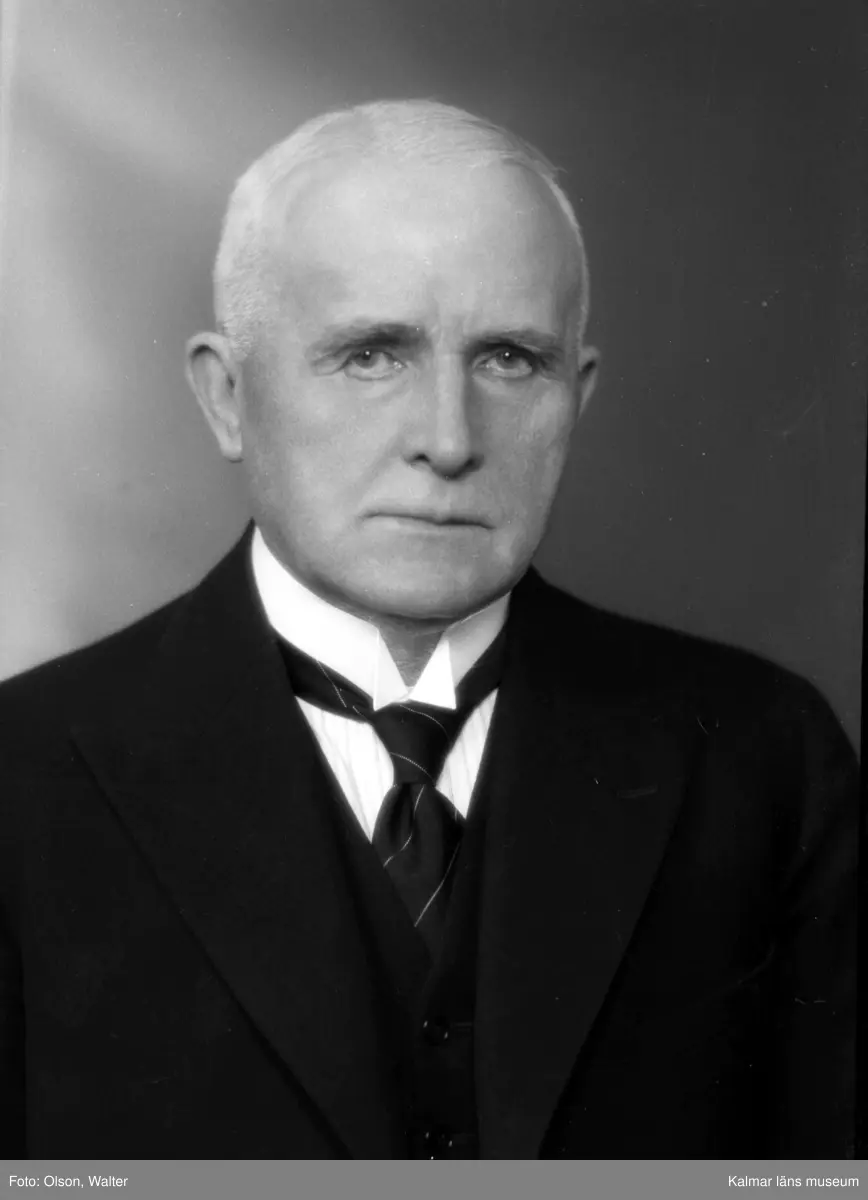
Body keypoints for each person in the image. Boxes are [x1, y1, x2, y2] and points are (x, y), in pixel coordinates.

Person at [0, 99, 856, 1160]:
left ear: (577, 398)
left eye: (510, 359)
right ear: (227, 397)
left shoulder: (765, 759)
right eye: (371, 355)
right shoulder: (20, 773)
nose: (449, 440)